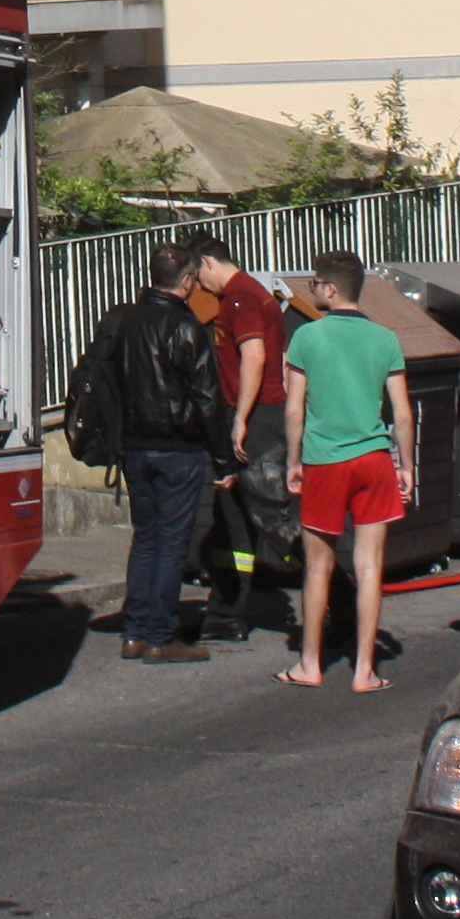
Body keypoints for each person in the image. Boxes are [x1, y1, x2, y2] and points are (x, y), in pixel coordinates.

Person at [68, 241, 226, 664]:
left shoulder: (126, 320)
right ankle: (160, 636)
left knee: (146, 539)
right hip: (178, 447)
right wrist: (224, 457)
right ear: (188, 281)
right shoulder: (186, 327)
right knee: (172, 542)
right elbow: (208, 399)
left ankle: (135, 631)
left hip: (134, 446)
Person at [276, 251, 412, 692]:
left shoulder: (306, 339)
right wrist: (406, 466)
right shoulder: (385, 339)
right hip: (374, 460)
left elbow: (295, 409)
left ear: (331, 288)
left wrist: (293, 461)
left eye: (315, 283)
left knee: (318, 567)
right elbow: (403, 414)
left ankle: (310, 664)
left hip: (325, 461)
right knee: (370, 565)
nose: (312, 290)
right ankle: (365, 670)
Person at [179, 233, 289, 643]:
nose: (198, 285)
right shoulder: (248, 295)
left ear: (207, 263)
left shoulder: (241, 297)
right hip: (254, 416)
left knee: (275, 518)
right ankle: (227, 613)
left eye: (197, 274)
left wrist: (240, 418)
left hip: (257, 420)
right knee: (234, 520)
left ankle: (335, 596)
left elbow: (255, 356)